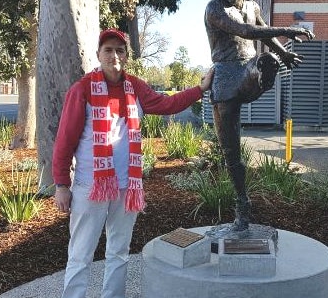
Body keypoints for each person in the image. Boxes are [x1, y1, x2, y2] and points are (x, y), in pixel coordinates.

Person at [52, 28, 213, 298]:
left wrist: (199, 89)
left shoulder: (134, 87)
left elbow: (167, 104)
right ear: (98, 54)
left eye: (120, 50)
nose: (114, 55)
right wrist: (61, 185)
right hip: (90, 186)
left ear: (126, 56)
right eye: (108, 49)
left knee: (119, 252)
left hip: (128, 187)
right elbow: (64, 140)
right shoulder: (82, 89)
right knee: (80, 254)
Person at [204, 0, 315, 231]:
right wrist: (288, 31)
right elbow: (247, 32)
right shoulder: (215, 8)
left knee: (265, 60)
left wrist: (284, 52)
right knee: (232, 154)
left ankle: (265, 75)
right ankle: (243, 204)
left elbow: (262, 30)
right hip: (224, 77)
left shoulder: (252, 6)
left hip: (248, 70)